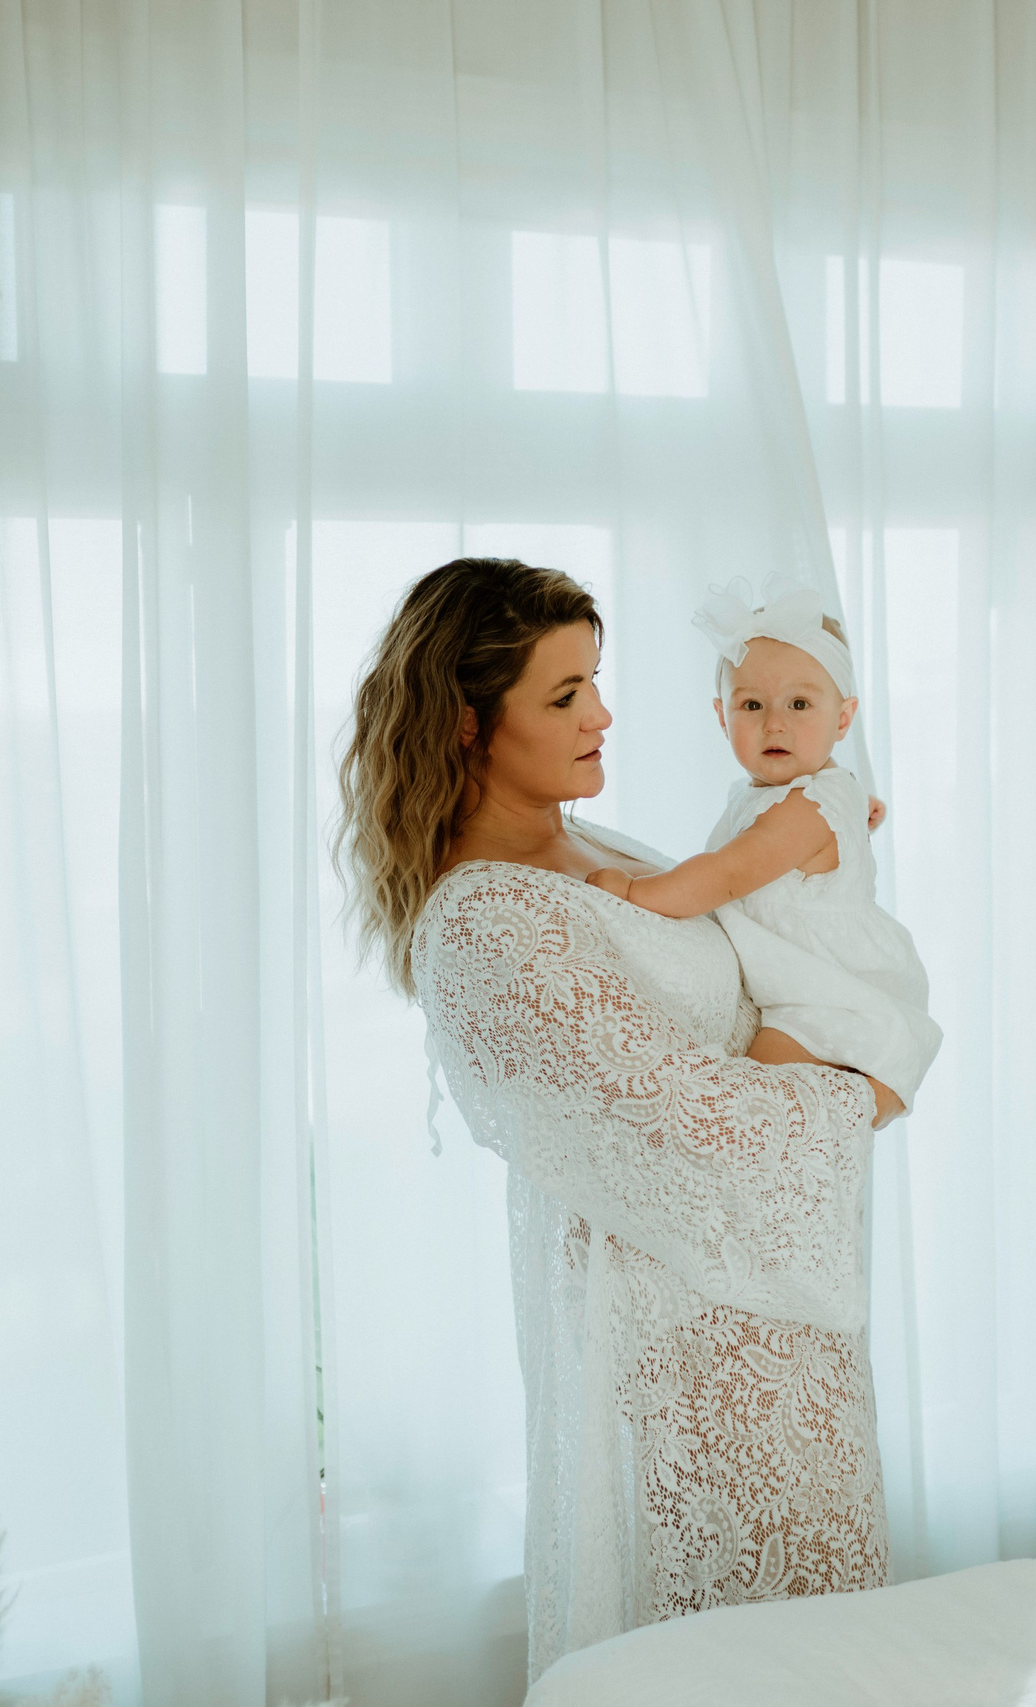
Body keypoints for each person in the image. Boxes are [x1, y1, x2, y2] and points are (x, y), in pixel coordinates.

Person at [336, 557, 897, 1682]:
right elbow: (684, 1121)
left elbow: (761, 965)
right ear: (462, 725)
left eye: (594, 680)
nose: (602, 714)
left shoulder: (604, 850)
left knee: (829, 1658)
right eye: (563, 696)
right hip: (673, 1360)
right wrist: (857, 1087)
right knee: (727, 1665)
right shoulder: (486, 925)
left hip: (780, 1328)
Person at [584, 574, 941, 1112]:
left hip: (831, 1001)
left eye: (800, 705)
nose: (775, 723)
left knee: (741, 1113)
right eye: (752, 706)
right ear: (721, 717)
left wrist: (635, 893)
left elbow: (726, 874)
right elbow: (810, 828)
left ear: (842, 718)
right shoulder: (798, 795)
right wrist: (855, 817)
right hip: (803, 990)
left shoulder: (805, 808)